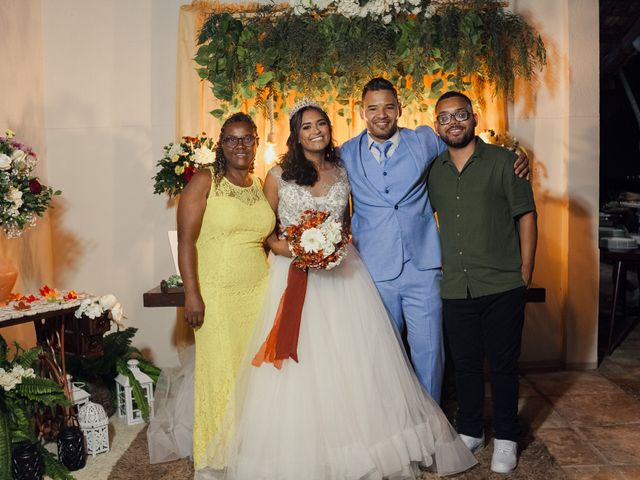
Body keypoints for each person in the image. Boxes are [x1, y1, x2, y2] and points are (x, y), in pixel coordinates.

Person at [210, 100, 478, 480]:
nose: (316, 131)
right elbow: (265, 233)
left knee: (358, 361)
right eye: (306, 126)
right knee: (302, 365)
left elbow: (349, 221)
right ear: (295, 134)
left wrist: (331, 246)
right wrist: (300, 249)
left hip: (344, 275)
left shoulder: (343, 167)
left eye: (321, 124)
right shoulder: (278, 174)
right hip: (295, 276)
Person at [146, 113, 276, 476]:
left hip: (258, 292)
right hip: (216, 295)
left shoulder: (258, 183)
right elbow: (186, 242)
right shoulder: (205, 181)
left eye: (247, 139)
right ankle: (217, 456)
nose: (240, 146)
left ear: (256, 142)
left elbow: (266, 239)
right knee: (220, 376)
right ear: (221, 143)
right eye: (232, 139)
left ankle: (251, 448)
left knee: (255, 376)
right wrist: (192, 295)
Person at [428, 91, 537, 474]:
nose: (453, 122)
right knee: (466, 364)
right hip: (456, 284)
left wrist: (526, 270)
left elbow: (526, 215)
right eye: (445, 117)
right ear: (435, 126)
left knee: (505, 364)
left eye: (460, 115)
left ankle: (507, 435)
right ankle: (471, 429)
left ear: (473, 118)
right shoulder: (433, 169)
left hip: (503, 282)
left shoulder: (507, 162)